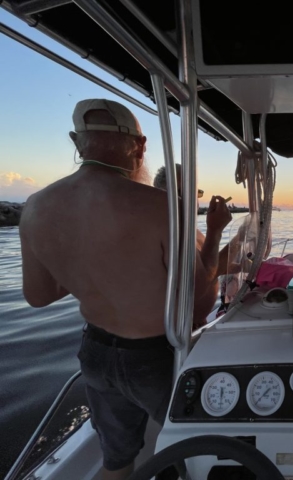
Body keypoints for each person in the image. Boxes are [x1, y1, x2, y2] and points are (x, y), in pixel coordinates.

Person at [18, 99, 231, 480]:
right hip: (154, 358)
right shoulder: (161, 207)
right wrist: (213, 234)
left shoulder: (35, 206)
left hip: (95, 355)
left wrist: (94, 268)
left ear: (75, 141)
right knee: (196, 450)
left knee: (116, 462)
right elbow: (198, 297)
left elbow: (39, 296)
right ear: (141, 145)